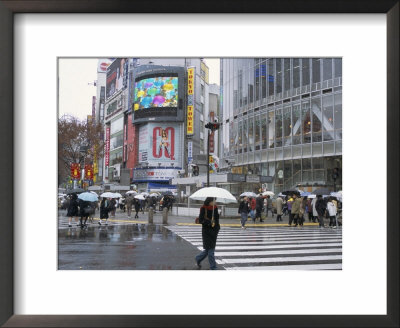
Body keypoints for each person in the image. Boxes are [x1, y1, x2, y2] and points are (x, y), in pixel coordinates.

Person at [195, 197, 220, 270]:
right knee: (211, 250)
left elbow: (217, 219)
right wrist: (209, 222)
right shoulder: (203, 208)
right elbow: (201, 220)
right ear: (210, 201)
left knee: (208, 249)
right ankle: (213, 267)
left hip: (214, 231)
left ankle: (198, 258)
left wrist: (217, 227)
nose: (215, 202)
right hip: (206, 231)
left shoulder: (215, 208)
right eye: (214, 200)